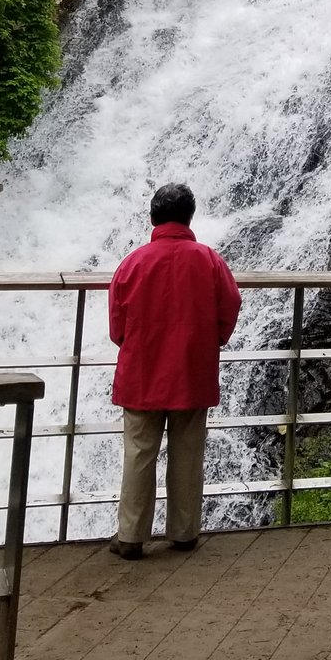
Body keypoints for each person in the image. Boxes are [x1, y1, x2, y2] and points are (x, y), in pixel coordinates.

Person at [106, 182, 240, 559]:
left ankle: (131, 537)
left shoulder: (133, 262)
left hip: (142, 371)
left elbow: (117, 324)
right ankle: (183, 533)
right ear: (190, 217)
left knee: (138, 453)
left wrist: (134, 346)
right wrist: (210, 341)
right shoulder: (209, 260)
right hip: (191, 370)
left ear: (152, 217)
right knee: (188, 452)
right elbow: (230, 305)